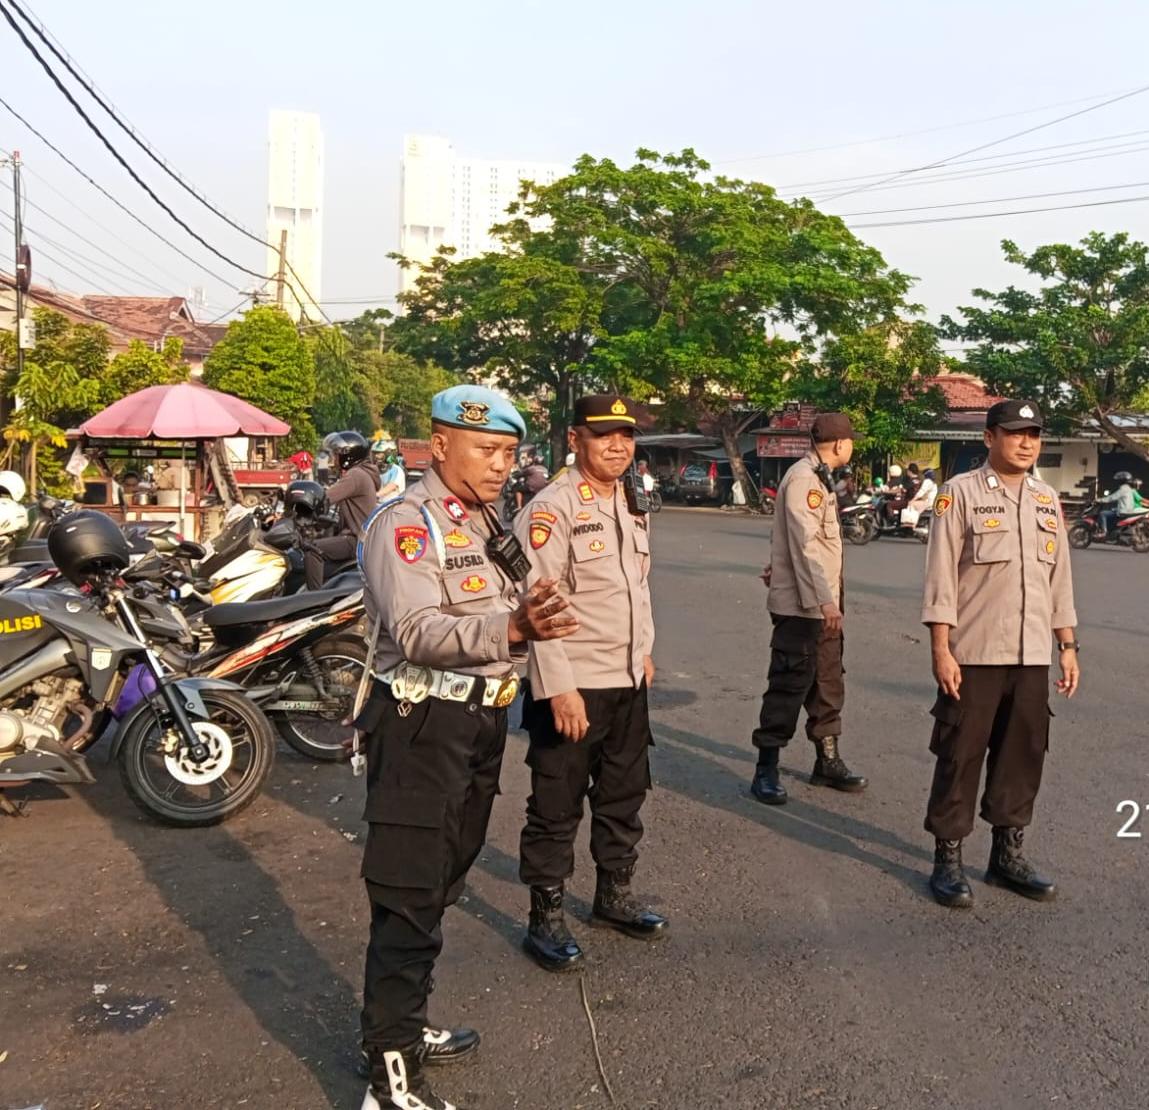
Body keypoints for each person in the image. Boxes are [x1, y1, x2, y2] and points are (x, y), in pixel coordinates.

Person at [355, 384, 578, 1110]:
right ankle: (390, 1073)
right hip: (422, 727)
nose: (498, 465)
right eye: (485, 449)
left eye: (508, 453)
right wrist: (512, 633)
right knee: (408, 893)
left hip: (480, 725)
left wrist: (536, 615)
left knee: (443, 882)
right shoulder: (406, 525)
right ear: (439, 443)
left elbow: (521, 597)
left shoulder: (486, 522)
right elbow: (416, 631)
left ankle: (405, 1026)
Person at [512, 395, 667, 974]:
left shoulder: (632, 503)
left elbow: (637, 589)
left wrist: (645, 652)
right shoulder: (551, 509)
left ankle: (613, 895)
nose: (618, 446)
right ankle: (545, 914)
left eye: (625, 436)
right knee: (556, 802)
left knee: (624, 794)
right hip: (575, 684)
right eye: (604, 436)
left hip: (627, 681)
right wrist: (558, 687)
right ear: (576, 439)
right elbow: (537, 603)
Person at [922, 399, 1079, 909]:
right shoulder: (959, 495)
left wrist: (1067, 645)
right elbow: (941, 576)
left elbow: (1060, 582)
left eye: (1033, 434)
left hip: (1032, 653)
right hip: (975, 652)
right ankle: (948, 858)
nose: (1027, 443)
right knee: (960, 754)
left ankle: (1006, 854)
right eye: (1015, 433)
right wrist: (941, 648)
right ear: (989, 438)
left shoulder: (1047, 500)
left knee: (1023, 754)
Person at [749, 413, 868, 805]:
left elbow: (794, 540)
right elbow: (804, 545)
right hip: (805, 607)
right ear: (839, 444)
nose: (853, 446)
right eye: (851, 441)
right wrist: (824, 599)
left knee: (828, 679)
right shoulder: (804, 480)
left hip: (821, 601)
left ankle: (827, 760)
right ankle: (766, 768)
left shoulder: (818, 477)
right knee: (789, 684)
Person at [303, 431, 379, 591]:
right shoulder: (362, 473)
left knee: (312, 549)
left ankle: (312, 600)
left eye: (337, 455)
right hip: (362, 539)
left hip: (356, 540)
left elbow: (324, 498)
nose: (334, 459)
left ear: (348, 456)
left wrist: (299, 504)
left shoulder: (355, 475)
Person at [1099, 471, 1136, 536]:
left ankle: (1104, 532)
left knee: (1103, 514)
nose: (1118, 481)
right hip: (1129, 511)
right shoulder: (1130, 489)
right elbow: (1124, 501)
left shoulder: (1123, 488)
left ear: (1122, 480)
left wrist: (1099, 500)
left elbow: (1112, 497)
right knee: (1113, 510)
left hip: (1123, 512)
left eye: (1119, 480)